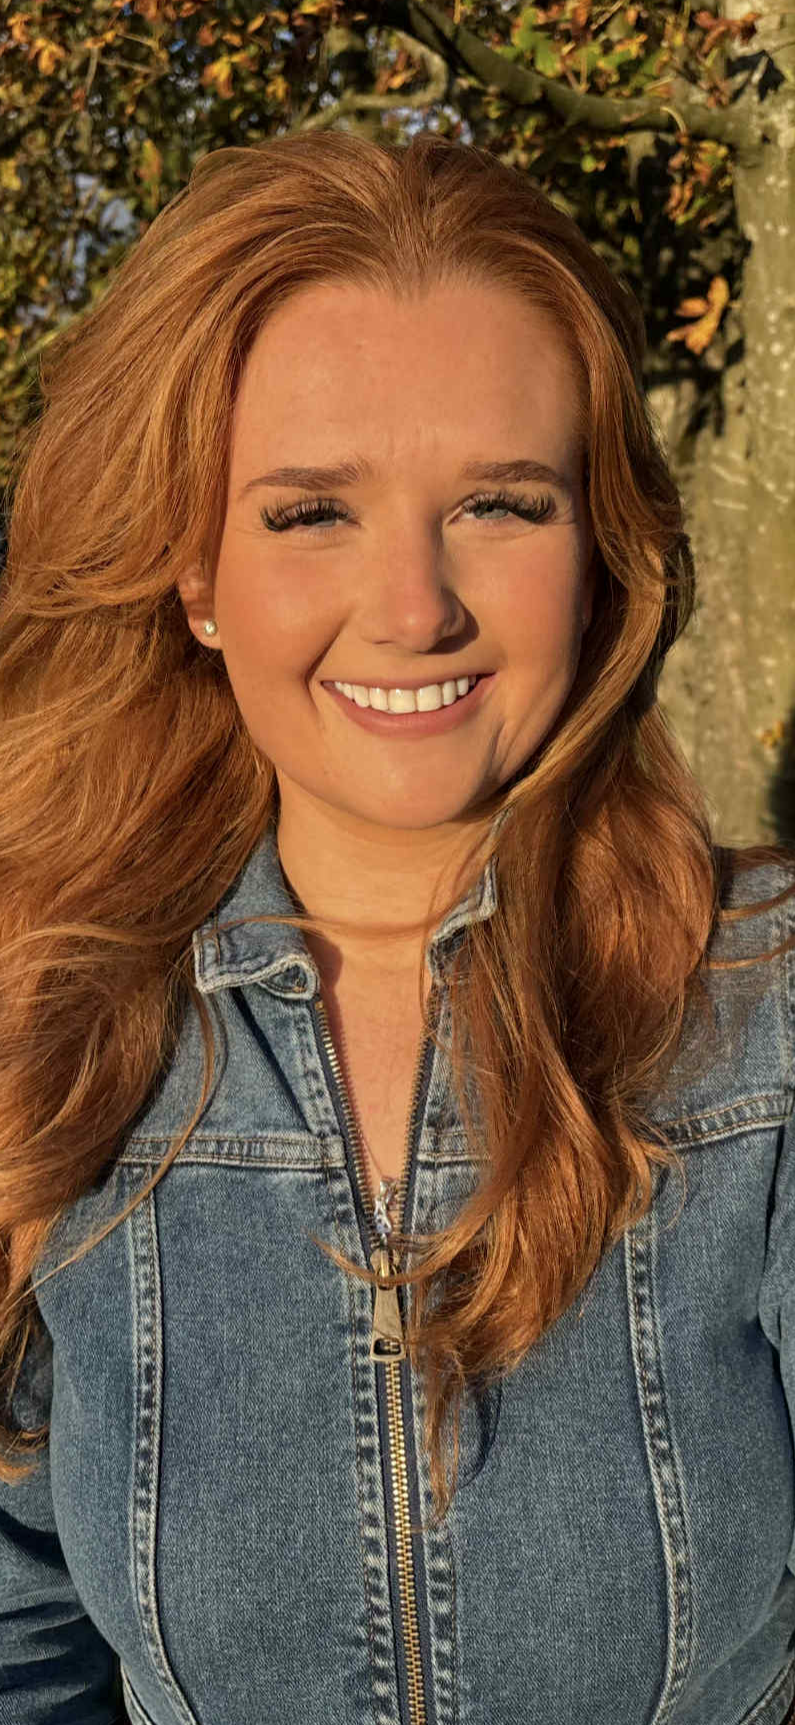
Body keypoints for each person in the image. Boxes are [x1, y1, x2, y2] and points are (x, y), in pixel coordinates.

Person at [0, 128, 793, 1725]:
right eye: (309, 514)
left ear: (603, 556)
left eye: (500, 503)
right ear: (194, 572)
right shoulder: (52, 1037)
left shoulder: (762, 1013)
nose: (415, 605)